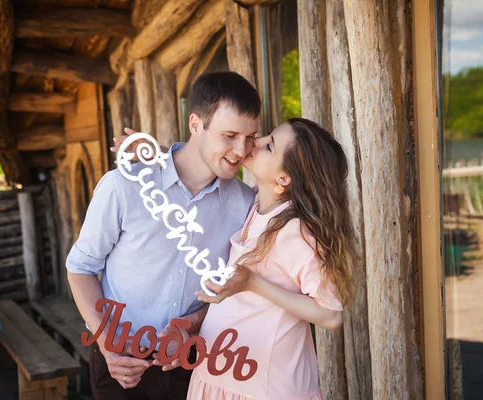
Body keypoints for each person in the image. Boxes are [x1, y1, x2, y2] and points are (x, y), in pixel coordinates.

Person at [66, 71, 261, 400]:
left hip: (195, 362)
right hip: (120, 360)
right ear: (196, 124)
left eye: (250, 137)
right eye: (229, 135)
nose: (241, 150)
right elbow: (81, 268)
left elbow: (236, 288)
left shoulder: (244, 204)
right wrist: (105, 340)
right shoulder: (124, 185)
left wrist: (193, 324)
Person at [187, 118, 356, 400]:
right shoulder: (254, 206)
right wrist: (158, 157)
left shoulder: (295, 231)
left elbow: (330, 315)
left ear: (284, 178)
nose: (257, 141)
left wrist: (254, 283)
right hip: (221, 376)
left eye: (270, 145)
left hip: (262, 387)